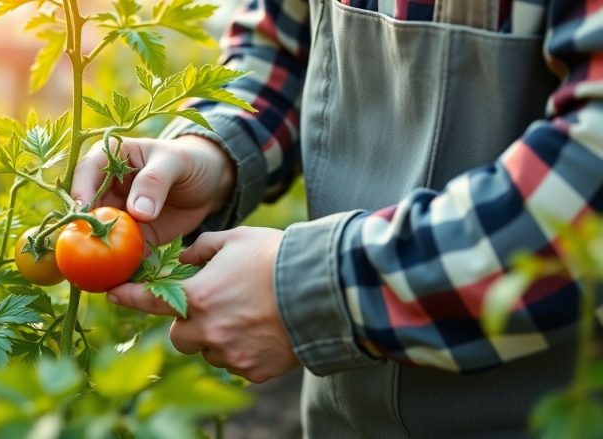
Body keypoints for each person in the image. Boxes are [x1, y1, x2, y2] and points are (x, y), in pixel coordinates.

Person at [72, 1, 602, 437]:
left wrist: (317, 293)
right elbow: (277, 50)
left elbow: (591, 169)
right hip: (338, 418)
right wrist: (215, 151)